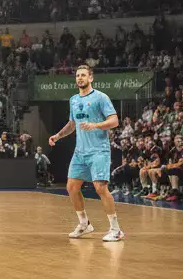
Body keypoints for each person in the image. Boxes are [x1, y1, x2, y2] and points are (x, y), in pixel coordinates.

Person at [48, 65, 125, 241]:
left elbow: (114, 121)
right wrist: (58, 136)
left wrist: (95, 125)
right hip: (80, 152)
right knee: (71, 187)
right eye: (77, 75)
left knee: (100, 187)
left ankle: (116, 230)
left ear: (91, 78)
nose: (80, 78)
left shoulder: (101, 97)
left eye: (83, 75)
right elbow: (72, 124)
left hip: (99, 150)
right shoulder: (74, 100)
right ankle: (84, 224)